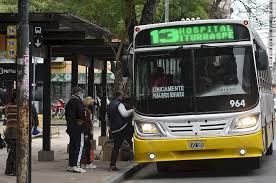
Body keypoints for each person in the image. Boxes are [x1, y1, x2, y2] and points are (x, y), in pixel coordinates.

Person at [106, 91, 134, 171]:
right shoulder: (119, 104)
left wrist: (110, 126)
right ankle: (135, 157)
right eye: (122, 95)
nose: (123, 97)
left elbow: (107, 118)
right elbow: (124, 114)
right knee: (129, 141)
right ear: (119, 96)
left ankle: (112, 165)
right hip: (122, 127)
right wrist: (132, 110)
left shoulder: (110, 104)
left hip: (114, 129)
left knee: (116, 147)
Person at [65, 86, 86, 173]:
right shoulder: (78, 102)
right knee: (79, 146)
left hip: (70, 127)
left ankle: (71, 164)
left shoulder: (69, 102)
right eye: (81, 92)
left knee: (72, 146)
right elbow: (81, 113)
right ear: (78, 93)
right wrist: (81, 120)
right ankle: (76, 165)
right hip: (78, 128)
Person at [4, 89, 17, 176]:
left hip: (8, 132)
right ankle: (15, 170)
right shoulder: (21, 107)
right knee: (16, 151)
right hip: (16, 132)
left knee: (12, 151)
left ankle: (9, 169)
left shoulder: (7, 106)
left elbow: (6, 116)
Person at [81, 96, 97, 169]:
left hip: (87, 130)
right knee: (87, 146)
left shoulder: (87, 110)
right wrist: (88, 130)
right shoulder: (86, 111)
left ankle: (86, 162)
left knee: (87, 146)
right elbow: (86, 121)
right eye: (91, 102)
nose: (92, 104)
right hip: (86, 130)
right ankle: (87, 162)